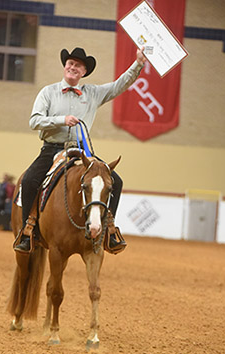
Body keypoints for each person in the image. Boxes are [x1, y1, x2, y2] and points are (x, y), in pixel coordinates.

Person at [15, 46, 146, 252]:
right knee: (30, 180)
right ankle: (27, 232)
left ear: (84, 72)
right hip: (52, 149)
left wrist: (138, 63)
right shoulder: (48, 92)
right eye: (71, 63)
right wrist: (61, 120)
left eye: (78, 65)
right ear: (65, 66)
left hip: (82, 150)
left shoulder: (92, 93)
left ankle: (108, 231)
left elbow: (119, 86)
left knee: (116, 181)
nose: (73, 67)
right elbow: (34, 121)